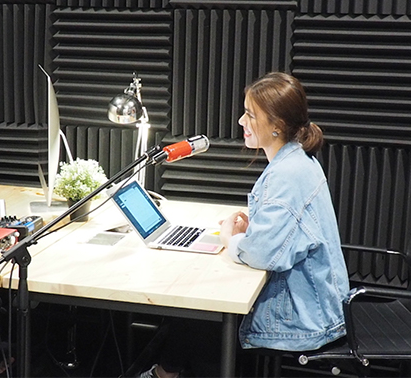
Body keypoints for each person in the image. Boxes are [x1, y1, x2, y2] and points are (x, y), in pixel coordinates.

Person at [141, 72, 349, 378]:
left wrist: (230, 239)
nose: (241, 121)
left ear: (277, 125)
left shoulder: (288, 174)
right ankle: (164, 373)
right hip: (314, 303)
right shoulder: (295, 161)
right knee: (194, 314)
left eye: (250, 115)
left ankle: (163, 373)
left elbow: (261, 255)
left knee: (203, 314)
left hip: (305, 318)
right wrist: (258, 225)